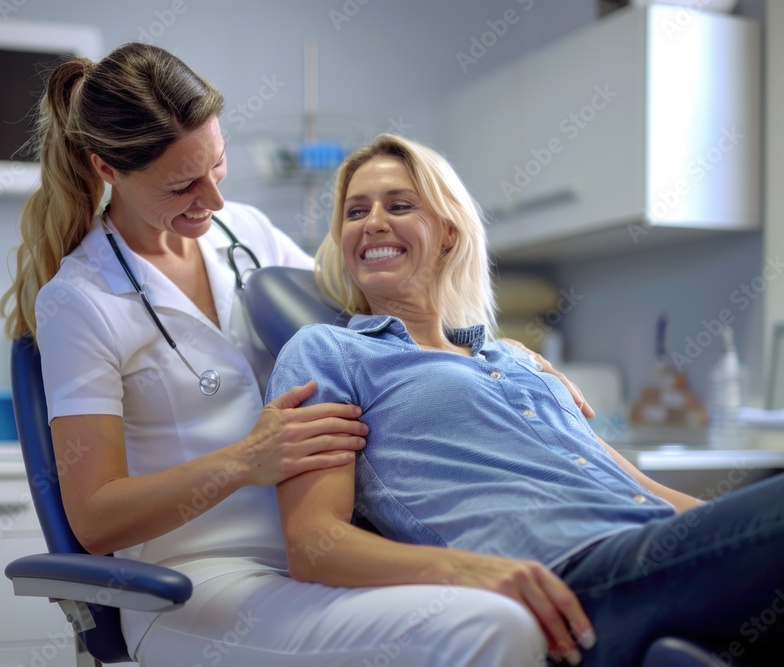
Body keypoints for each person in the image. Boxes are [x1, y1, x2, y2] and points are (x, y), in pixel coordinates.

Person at [0, 43, 578, 666]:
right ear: (107, 169)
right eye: (182, 185)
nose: (213, 200)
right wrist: (247, 460)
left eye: (217, 167)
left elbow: (383, 327)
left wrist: (495, 352)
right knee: (489, 627)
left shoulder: (243, 232)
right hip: (199, 584)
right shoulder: (79, 302)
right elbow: (94, 518)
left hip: (333, 548)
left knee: (535, 602)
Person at [265, 133, 784, 667]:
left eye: (399, 205)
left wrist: (737, 527)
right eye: (355, 212)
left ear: (447, 232)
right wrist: (468, 570)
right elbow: (313, 544)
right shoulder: (329, 352)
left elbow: (638, 486)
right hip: (575, 577)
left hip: (660, 547)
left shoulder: (513, 359)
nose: (373, 221)